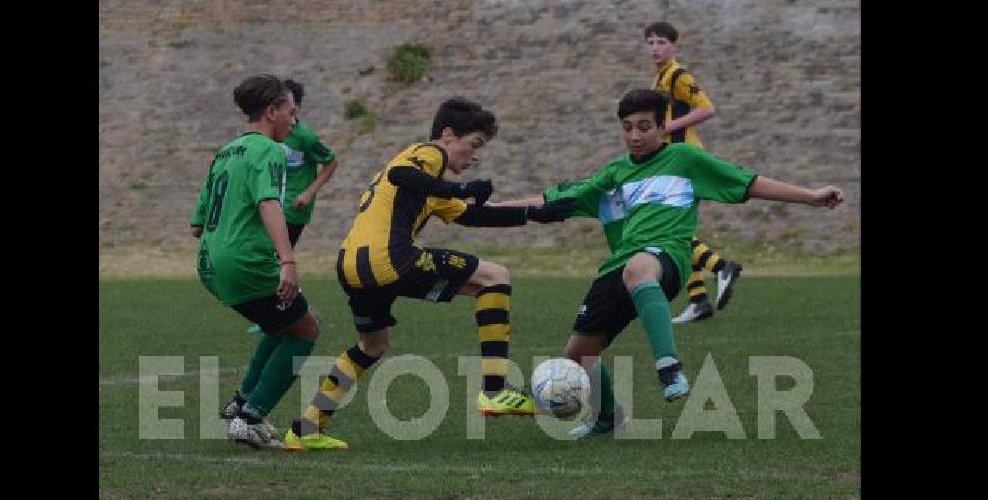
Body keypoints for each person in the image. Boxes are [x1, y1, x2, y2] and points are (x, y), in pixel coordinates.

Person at [541, 89, 843, 438]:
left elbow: (747, 182)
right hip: (618, 266)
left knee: (639, 269)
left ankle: (669, 368)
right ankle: (608, 419)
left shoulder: (685, 158)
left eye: (644, 127)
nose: (634, 136)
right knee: (577, 355)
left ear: (662, 127)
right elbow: (555, 200)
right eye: (627, 128)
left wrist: (811, 197)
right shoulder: (615, 172)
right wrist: (480, 211)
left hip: (665, 257)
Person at [284, 97, 576, 451]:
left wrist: (534, 214)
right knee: (495, 277)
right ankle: (496, 390)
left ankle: (306, 428)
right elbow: (401, 175)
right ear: (448, 135)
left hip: (350, 264)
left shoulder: (429, 186)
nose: (475, 156)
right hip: (390, 258)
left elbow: (471, 215)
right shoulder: (429, 154)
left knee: (372, 345)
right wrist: (462, 188)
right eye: (474, 145)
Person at [188, 74, 318, 450]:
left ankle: (241, 402)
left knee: (283, 324)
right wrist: (287, 260)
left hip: (210, 263)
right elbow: (268, 203)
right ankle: (249, 417)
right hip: (243, 262)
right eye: (290, 113)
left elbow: (197, 225)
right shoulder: (269, 151)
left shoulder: (227, 151)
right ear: (271, 111)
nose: (294, 122)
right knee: (307, 328)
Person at [646, 20, 742, 324]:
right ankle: (699, 299)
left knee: (669, 228)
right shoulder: (659, 78)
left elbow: (706, 108)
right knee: (675, 228)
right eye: (650, 42)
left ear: (674, 45)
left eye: (661, 42)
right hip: (672, 159)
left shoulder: (677, 75)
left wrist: (667, 129)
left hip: (683, 159)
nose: (655, 48)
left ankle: (721, 267)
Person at [245, 78, 341, 334]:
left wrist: (308, 193)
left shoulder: (305, 136)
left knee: (277, 262)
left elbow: (331, 161)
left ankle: (295, 312)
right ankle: (286, 312)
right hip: (273, 206)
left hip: (293, 210)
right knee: (271, 261)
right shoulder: (270, 137)